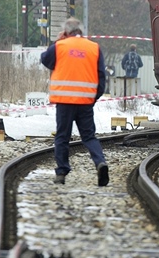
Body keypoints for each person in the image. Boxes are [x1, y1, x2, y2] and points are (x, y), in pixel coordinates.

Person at [40, 17, 109, 186]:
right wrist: (94, 97)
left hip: (64, 102)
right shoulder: (94, 48)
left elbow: (45, 60)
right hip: (85, 102)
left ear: (66, 31)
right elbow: (101, 76)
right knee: (89, 136)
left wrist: (58, 41)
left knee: (62, 137)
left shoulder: (59, 46)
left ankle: (61, 172)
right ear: (81, 31)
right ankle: (100, 162)